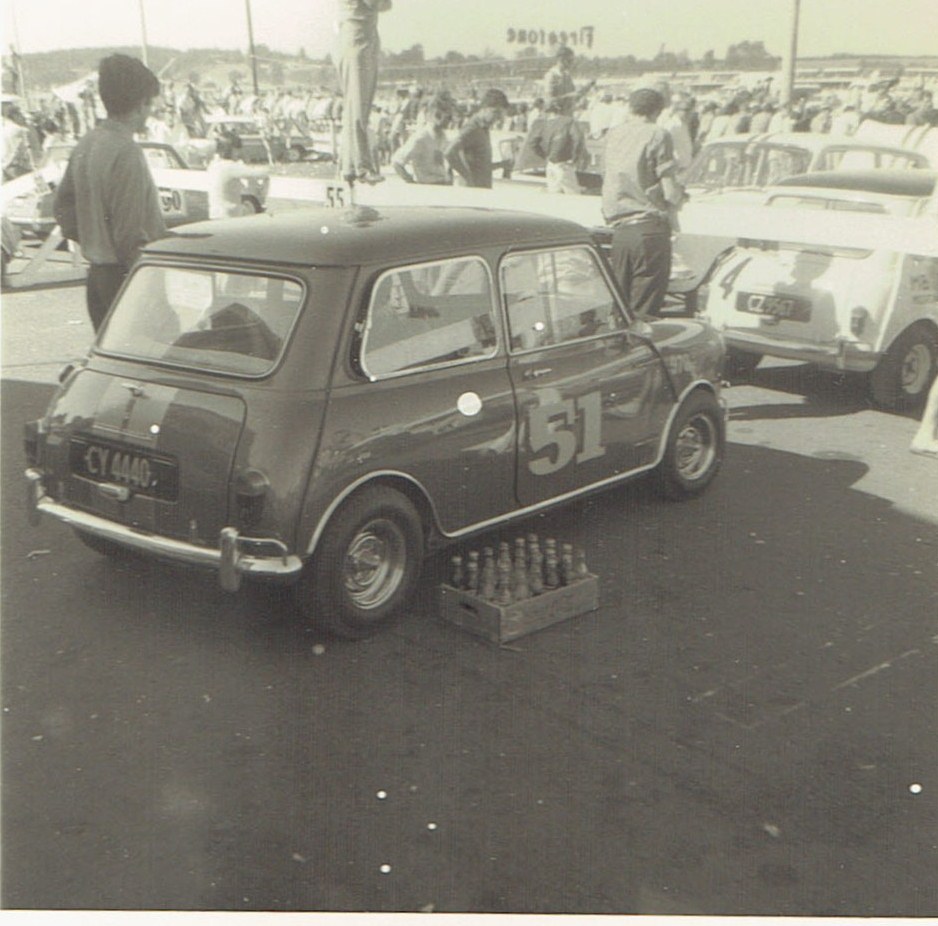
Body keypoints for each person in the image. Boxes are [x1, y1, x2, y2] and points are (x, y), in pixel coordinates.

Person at [53, 54, 167, 332]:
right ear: (142, 104)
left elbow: (62, 208)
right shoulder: (127, 152)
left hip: (98, 277)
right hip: (128, 277)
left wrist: (94, 237)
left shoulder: (87, 143)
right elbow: (129, 234)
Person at [601, 88, 685, 319]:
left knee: (620, 310)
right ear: (658, 111)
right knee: (643, 313)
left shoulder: (613, 134)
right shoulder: (658, 134)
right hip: (649, 229)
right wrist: (680, 194)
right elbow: (670, 192)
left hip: (620, 231)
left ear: (630, 108)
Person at [337, 0, 392, 184]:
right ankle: (362, 167)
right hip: (357, 41)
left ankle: (350, 166)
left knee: (355, 109)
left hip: (360, 40)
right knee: (358, 110)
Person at [445, 88, 509, 189]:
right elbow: (449, 152)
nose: (497, 118)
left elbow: (481, 166)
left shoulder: (483, 128)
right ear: (484, 108)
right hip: (472, 191)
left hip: (482, 188)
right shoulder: (472, 128)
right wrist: (467, 177)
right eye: (495, 112)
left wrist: (501, 165)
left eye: (500, 114)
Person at [527, 97, 588, 194]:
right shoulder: (569, 122)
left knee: (555, 198)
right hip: (564, 163)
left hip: (550, 163)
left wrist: (544, 155)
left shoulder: (544, 123)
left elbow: (532, 143)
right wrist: (575, 158)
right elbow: (578, 139)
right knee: (574, 196)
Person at [206, 131, 270, 218]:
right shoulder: (229, 166)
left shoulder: (214, 165)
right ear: (228, 150)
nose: (238, 154)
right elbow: (259, 173)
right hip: (228, 216)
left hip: (215, 213)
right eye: (235, 150)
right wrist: (272, 169)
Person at [391, 96, 452, 185]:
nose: (449, 121)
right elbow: (397, 162)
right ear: (435, 115)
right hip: (428, 185)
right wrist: (411, 182)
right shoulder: (421, 137)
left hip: (443, 184)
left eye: (450, 117)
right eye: (447, 117)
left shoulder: (443, 137)